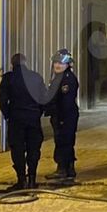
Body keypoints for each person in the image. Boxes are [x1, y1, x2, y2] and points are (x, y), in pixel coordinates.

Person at [0, 53, 47, 191]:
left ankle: (22, 181)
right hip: (33, 118)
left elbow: (2, 99)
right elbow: (44, 97)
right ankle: (32, 179)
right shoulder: (36, 77)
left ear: (12, 64)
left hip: (16, 118)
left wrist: (8, 114)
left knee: (18, 150)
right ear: (25, 62)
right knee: (33, 149)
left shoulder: (8, 78)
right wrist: (38, 112)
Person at [44, 48, 80, 182]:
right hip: (62, 115)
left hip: (65, 116)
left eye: (61, 63)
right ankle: (69, 169)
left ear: (68, 65)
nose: (57, 65)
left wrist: (61, 119)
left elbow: (65, 102)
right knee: (66, 142)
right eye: (56, 62)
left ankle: (63, 169)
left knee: (63, 142)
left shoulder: (67, 80)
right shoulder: (59, 78)